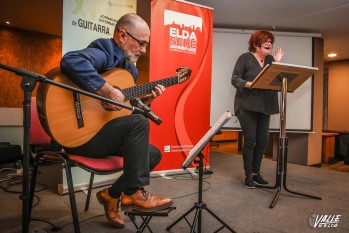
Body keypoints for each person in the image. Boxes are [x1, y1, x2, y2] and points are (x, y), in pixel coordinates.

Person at [60, 13, 173, 228]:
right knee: (139, 124)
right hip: (80, 137)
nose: (144, 50)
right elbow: (71, 60)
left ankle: (111, 195)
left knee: (152, 154)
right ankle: (133, 193)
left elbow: (124, 115)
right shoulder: (105, 51)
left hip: (103, 135)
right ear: (122, 35)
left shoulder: (130, 70)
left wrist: (146, 102)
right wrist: (106, 90)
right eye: (141, 43)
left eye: (146, 45)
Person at [231, 30, 284, 189]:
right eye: (266, 41)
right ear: (255, 44)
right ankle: (248, 176)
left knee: (262, 141)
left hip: (264, 107)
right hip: (246, 107)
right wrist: (251, 84)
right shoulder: (245, 58)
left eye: (271, 41)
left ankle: (256, 173)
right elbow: (235, 79)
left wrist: (278, 62)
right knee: (250, 141)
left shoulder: (270, 60)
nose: (269, 44)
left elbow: (278, 81)